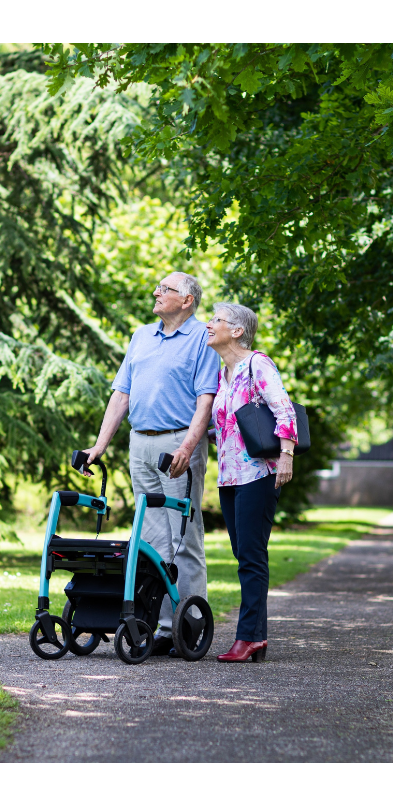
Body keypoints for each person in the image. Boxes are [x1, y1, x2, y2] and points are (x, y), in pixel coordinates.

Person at [81, 271, 221, 653]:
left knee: (183, 538)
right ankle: (160, 628)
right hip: (140, 442)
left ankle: (189, 628)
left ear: (187, 300)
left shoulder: (202, 338)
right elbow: (121, 395)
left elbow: (205, 401)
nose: (156, 292)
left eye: (165, 289)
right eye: (158, 287)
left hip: (177, 442)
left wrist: (187, 448)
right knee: (150, 540)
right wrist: (99, 446)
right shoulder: (141, 335)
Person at [206, 302, 296, 663]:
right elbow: (223, 427)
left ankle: (248, 638)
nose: (209, 325)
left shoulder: (258, 364)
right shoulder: (222, 374)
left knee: (251, 556)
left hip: (259, 474)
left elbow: (283, 409)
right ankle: (256, 637)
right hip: (229, 477)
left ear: (237, 330)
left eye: (216, 320)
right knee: (244, 554)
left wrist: (286, 455)